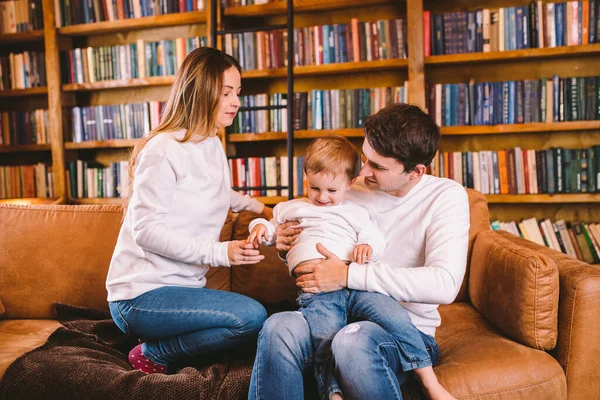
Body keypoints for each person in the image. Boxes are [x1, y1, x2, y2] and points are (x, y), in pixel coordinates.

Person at [249, 103, 470, 400]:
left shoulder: (445, 197)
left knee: (351, 341)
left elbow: (444, 284)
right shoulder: (342, 188)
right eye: (365, 159)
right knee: (278, 326)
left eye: (378, 166)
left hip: (400, 331)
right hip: (331, 310)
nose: (363, 171)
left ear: (416, 171)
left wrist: (348, 275)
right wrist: (283, 244)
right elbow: (310, 228)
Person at [105, 47, 268, 375]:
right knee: (251, 318)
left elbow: (218, 193)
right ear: (201, 90)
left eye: (238, 92)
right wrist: (220, 252)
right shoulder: (164, 149)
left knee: (257, 327)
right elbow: (146, 231)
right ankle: (154, 353)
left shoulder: (211, 142)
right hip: (140, 296)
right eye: (226, 93)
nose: (236, 101)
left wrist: (267, 210)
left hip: (181, 291)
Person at [248, 136, 390, 399]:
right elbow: (270, 225)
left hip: (347, 284)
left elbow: (374, 237)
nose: (322, 197)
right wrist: (260, 228)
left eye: (331, 191)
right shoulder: (293, 208)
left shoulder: (354, 213)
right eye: (314, 188)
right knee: (324, 331)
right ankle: (332, 388)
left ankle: (331, 389)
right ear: (305, 178)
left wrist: (368, 247)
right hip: (312, 291)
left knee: (336, 333)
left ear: (349, 183)